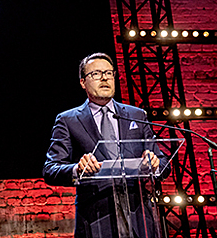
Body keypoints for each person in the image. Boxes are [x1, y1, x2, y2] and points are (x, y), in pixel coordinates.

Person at [43, 52, 169, 238]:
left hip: (139, 217)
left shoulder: (136, 115)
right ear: (82, 82)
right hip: (96, 219)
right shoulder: (68, 120)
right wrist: (78, 169)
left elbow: (163, 163)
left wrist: (155, 163)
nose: (104, 77)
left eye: (109, 73)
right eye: (95, 74)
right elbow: (51, 169)